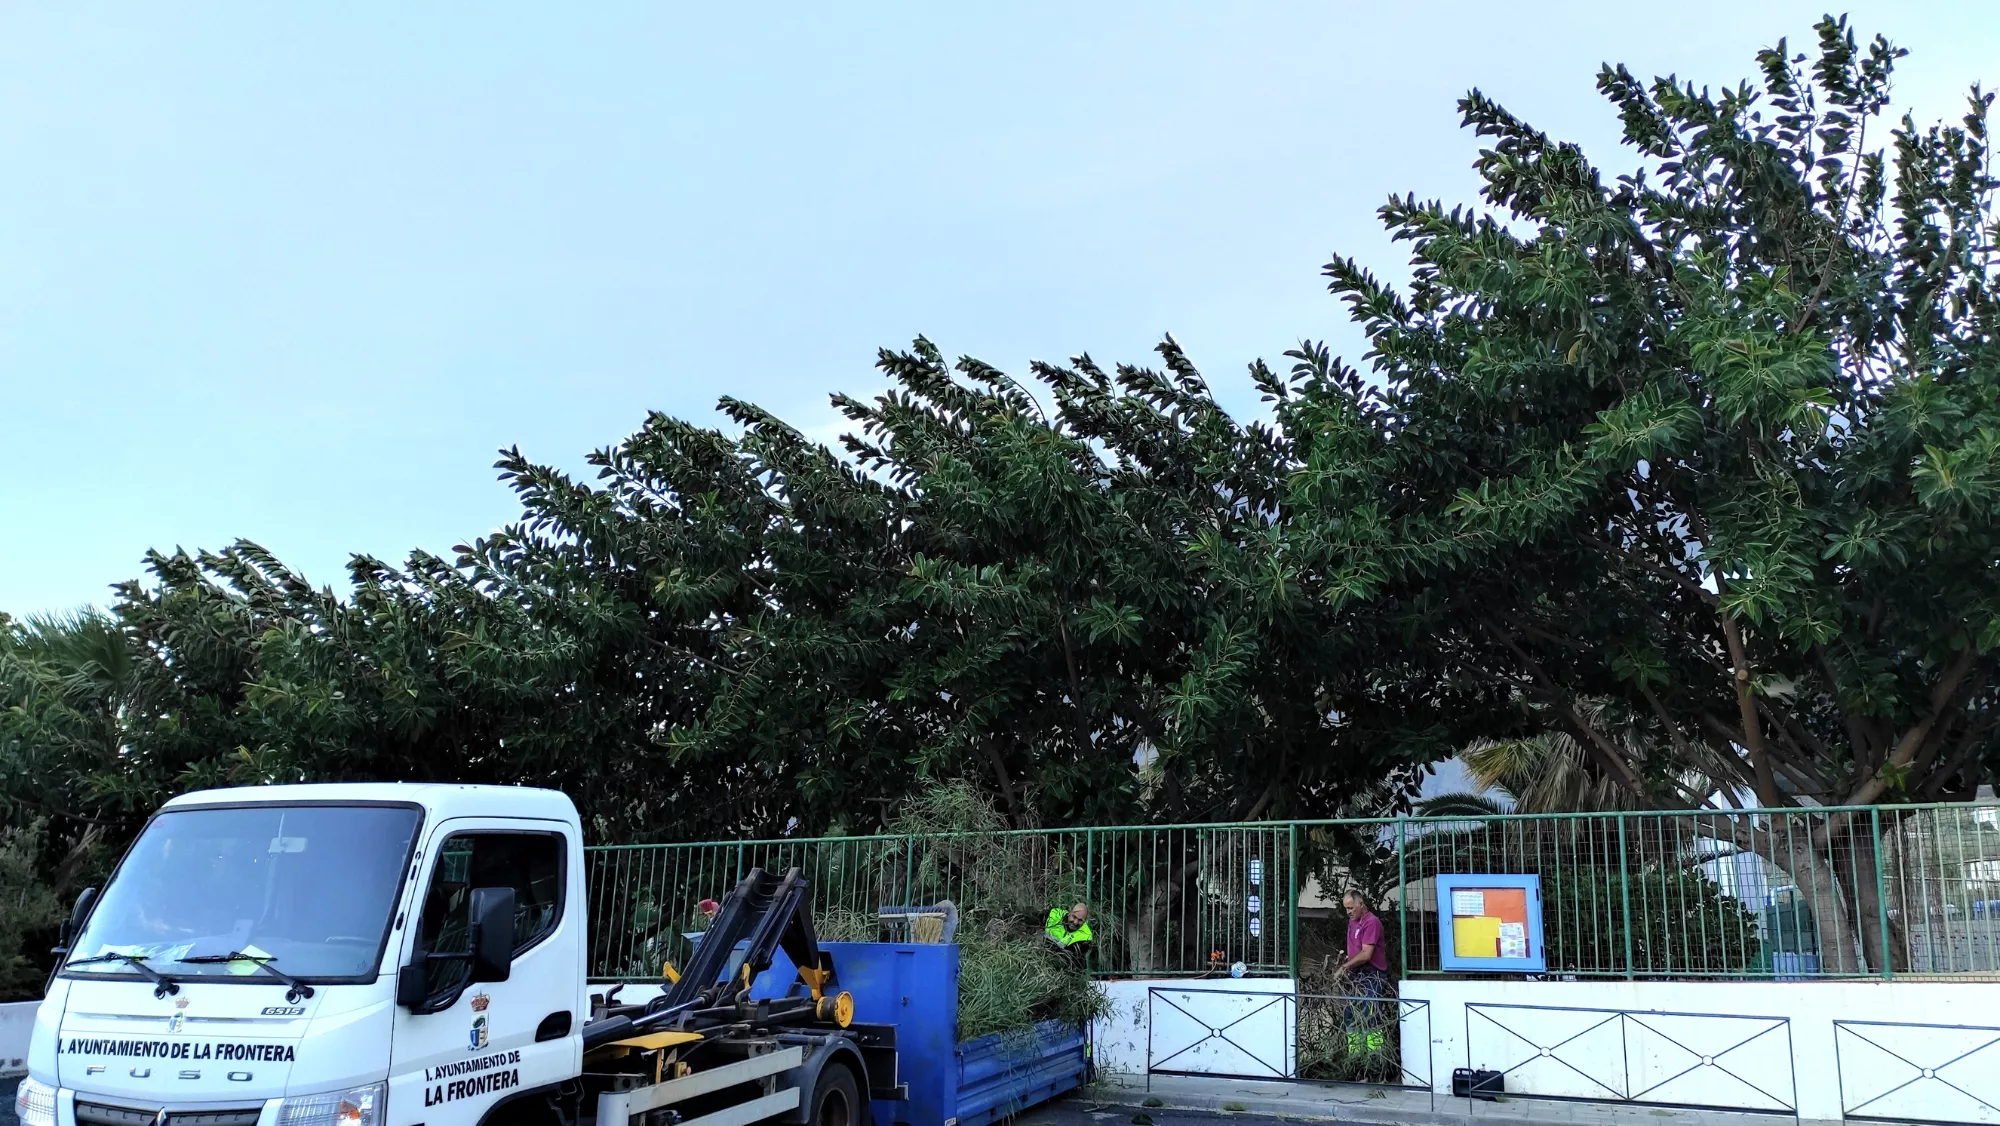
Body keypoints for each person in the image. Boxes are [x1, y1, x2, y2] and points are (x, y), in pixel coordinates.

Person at [1332, 890, 1391, 1061]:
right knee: (1350, 1015)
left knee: (1371, 1016)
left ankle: (1375, 1060)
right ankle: (1355, 1057)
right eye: (1346, 908)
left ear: (1361, 904)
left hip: (1372, 975)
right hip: (1356, 975)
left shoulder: (1371, 922)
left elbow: (1366, 955)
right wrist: (1347, 960)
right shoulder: (1353, 921)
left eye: (1351, 908)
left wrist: (1344, 967)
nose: (1348, 912)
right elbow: (1356, 949)